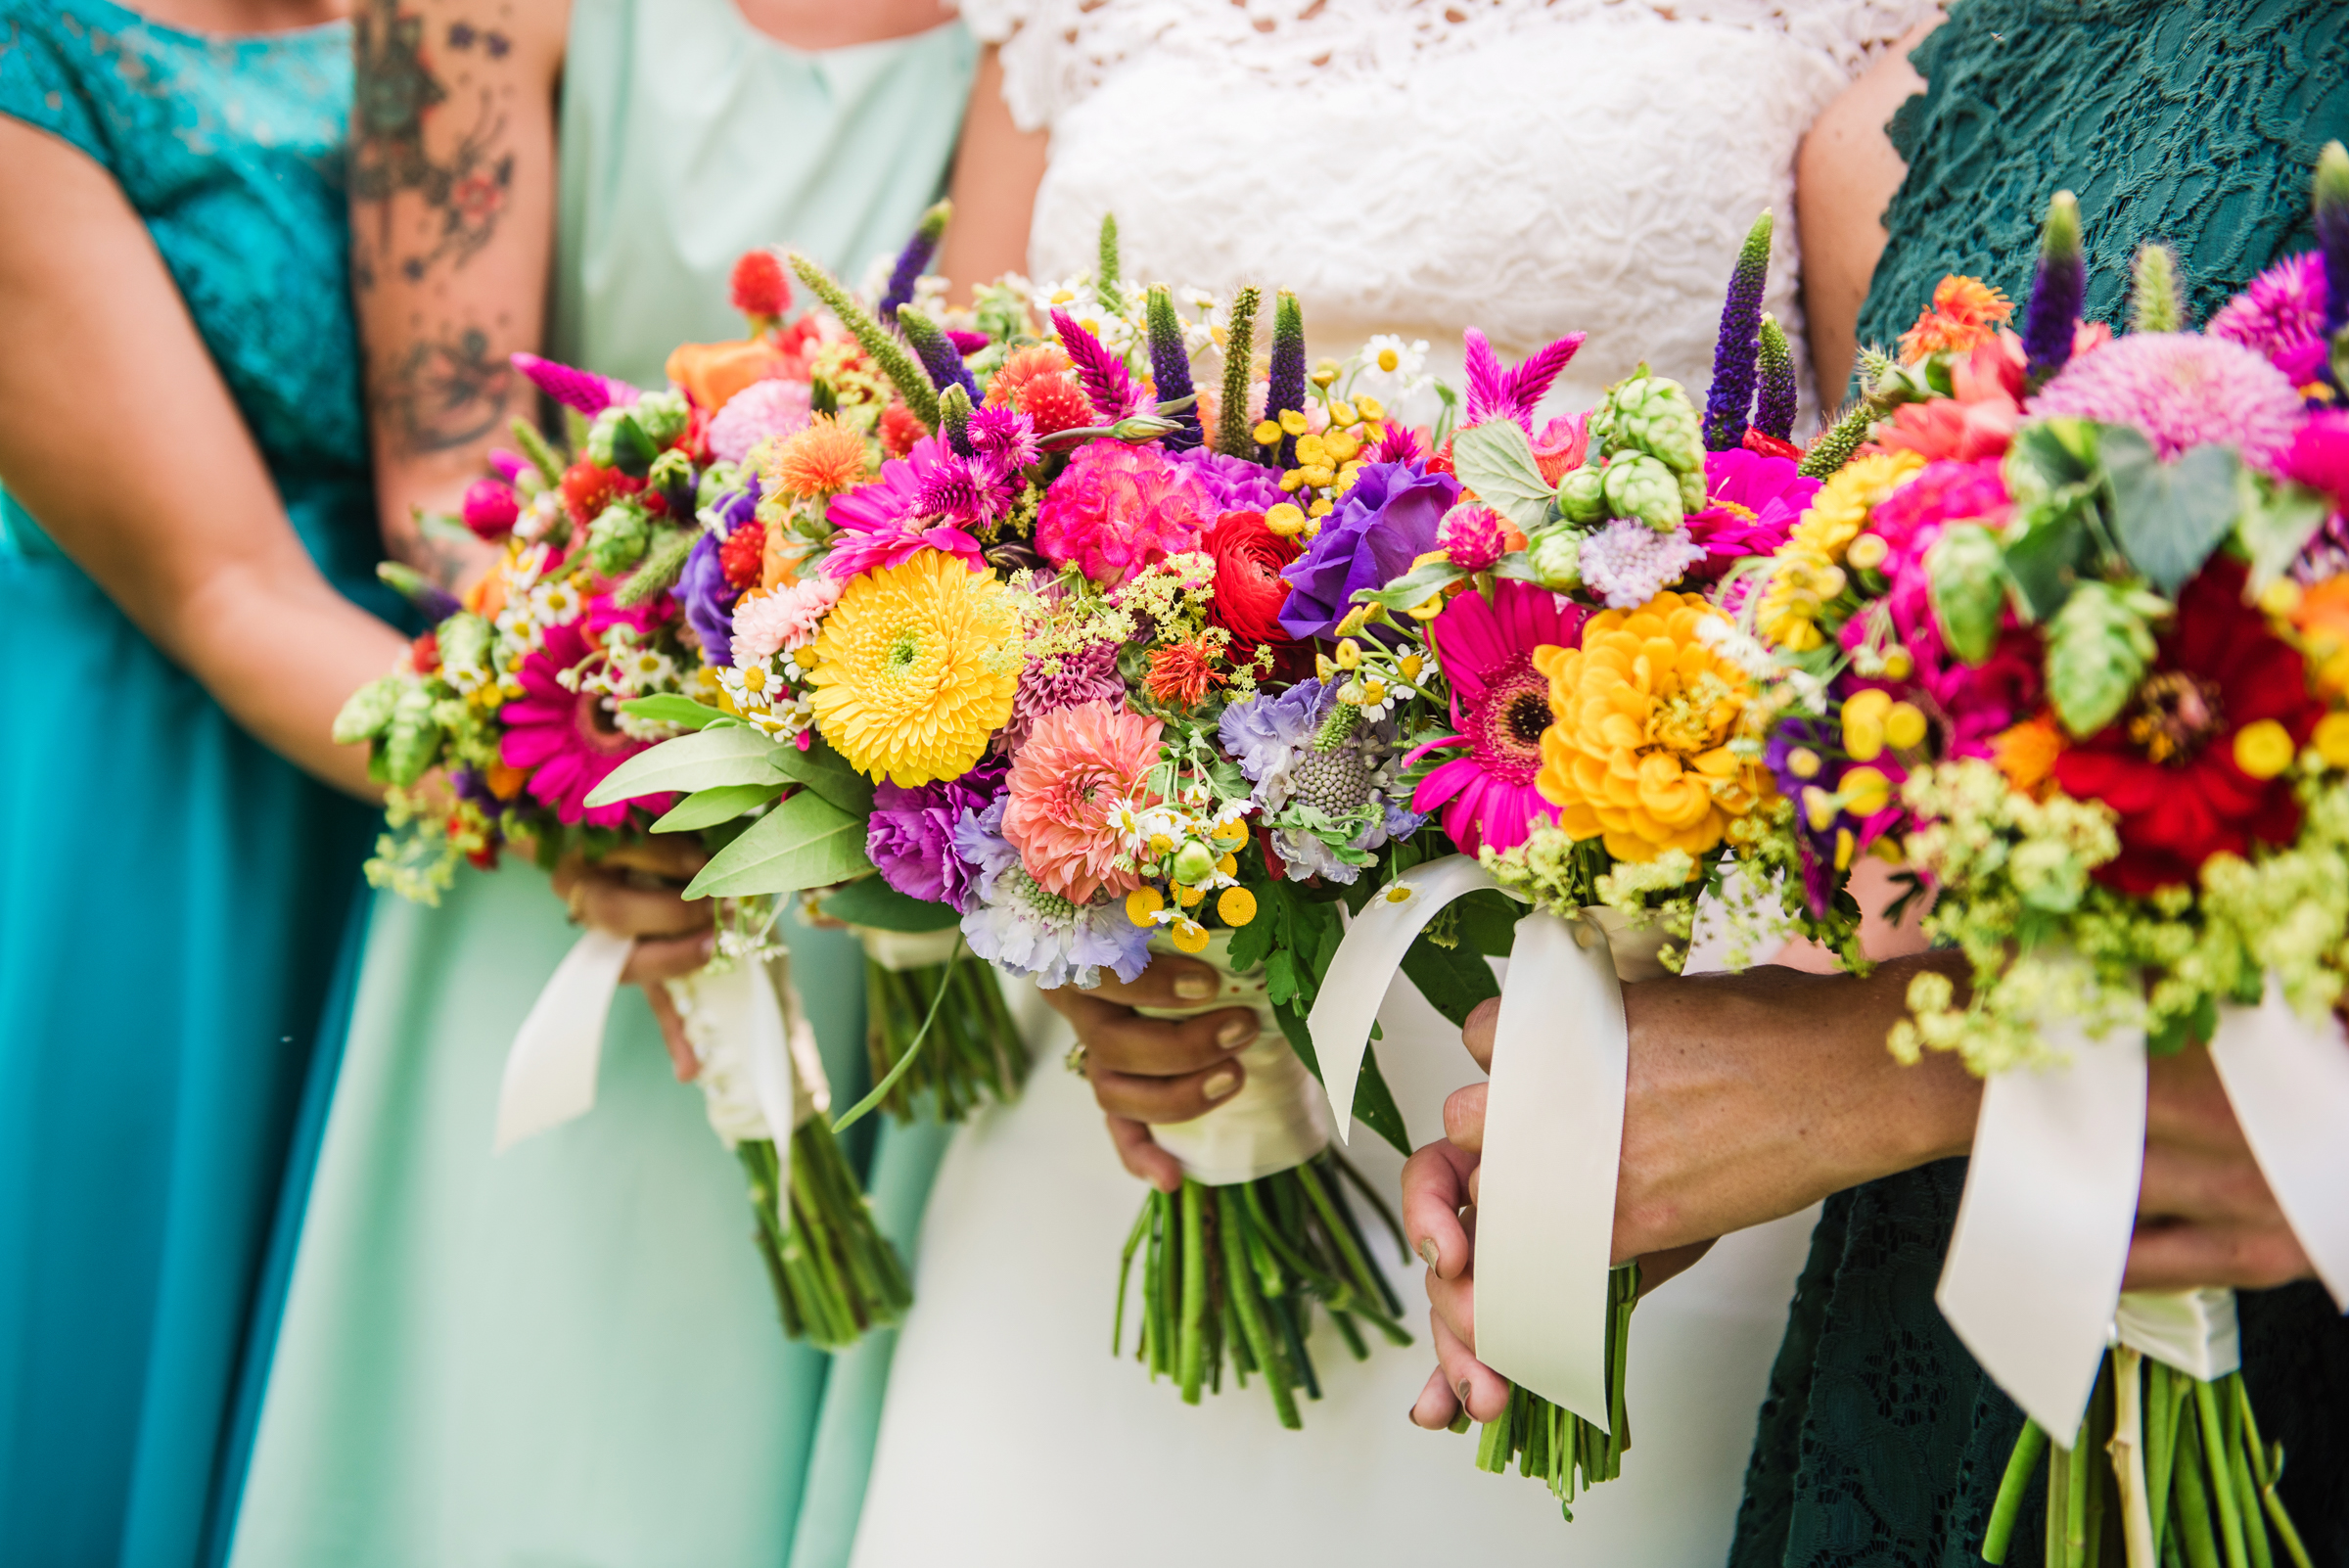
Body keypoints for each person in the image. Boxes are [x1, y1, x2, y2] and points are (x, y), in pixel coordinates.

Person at [848, 4, 1945, 1562]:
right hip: (1178, 1053)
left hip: (1657, 1060)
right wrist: (1060, 910)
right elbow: (951, 477)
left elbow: (1900, 554)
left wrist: (1778, 1063)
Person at [1411, 4, 2349, 1561]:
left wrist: (1854, 1080)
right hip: (1952, 1337)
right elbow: (1888, 843)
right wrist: (1640, 1136)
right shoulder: (1895, 130)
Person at [225, 4, 1004, 1565]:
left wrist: (829, 747)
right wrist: (632, 762)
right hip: (584, 850)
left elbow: (972, 436)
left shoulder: (1046, 39)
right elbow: (446, 488)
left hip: (887, 840)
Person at [0, 3, 421, 1562]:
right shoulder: (32, 63)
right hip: (161, 781)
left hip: (409, 738)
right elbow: (221, 587)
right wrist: (568, 776)